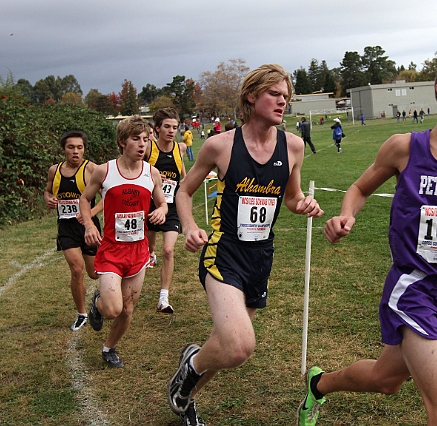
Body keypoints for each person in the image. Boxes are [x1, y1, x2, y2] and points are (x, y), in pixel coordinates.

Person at [297, 52, 437, 426]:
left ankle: (319, 385)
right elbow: (359, 187)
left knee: (385, 380)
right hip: (413, 287)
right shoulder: (404, 147)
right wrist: (346, 214)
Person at [166, 63, 323, 425]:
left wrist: (305, 205)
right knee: (238, 347)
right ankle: (190, 365)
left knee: (222, 345)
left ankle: (186, 395)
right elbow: (184, 191)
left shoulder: (294, 147)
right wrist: (189, 226)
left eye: (286, 96)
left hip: (260, 258)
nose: (283, 102)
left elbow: (292, 198)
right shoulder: (220, 146)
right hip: (224, 253)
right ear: (252, 97)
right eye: (274, 94)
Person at [80, 116, 168, 368]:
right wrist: (88, 225)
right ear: (122, 142)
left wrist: (161, 210)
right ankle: (98, 303)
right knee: (112, 309)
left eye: (146, 140)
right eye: (136, 139)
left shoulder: (152, 173)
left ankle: (109, 348)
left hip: (138, 251)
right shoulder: (104, 171)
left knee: (127, 309)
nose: (143, 145)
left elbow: (162, 202)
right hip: (111, 250)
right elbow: (85, 200)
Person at [44, 131, 103, 331]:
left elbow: (107, 196)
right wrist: (48, 199)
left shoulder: (92, 169)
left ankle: (99, 298)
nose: (75, 151)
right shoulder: (55, 170)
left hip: (89, 227)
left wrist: (90, 213)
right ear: (64, 150)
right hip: (66, 227)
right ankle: (82, 314)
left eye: (80, 147)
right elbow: (48, 190)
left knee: (94, 273)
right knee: (76, 270)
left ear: (84, 149)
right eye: (71, 147)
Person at [144, 108, 187, 314]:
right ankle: (150, 254)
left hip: (171, 208)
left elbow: (183, 178)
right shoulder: (148, 149)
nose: (171, 131)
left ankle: (163, 298)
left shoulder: (179, 149)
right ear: (157, 128)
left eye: (175, 127)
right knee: (150, 249)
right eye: (167, 127)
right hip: (149, 207)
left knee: (168, 250)